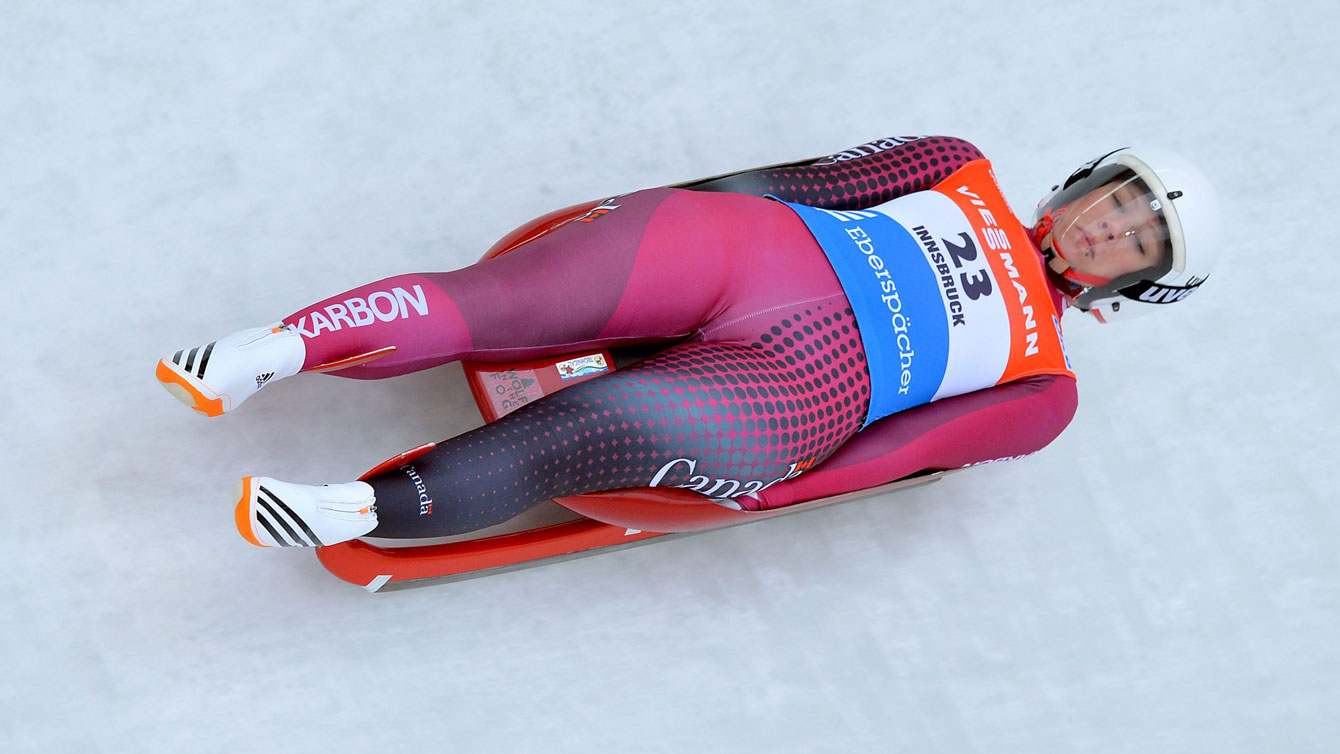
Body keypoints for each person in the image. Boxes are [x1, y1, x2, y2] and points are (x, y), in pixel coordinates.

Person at [155, 136, 1218, 549]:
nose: (1110, 222)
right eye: (1118, 197)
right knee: (507, 299)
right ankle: (270, 350)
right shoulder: (955, 161)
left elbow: (892, 456)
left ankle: (350, 510)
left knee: (588, 430)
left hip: (796, 387)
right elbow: (796, 184)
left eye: (1136, 235)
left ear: (1135, 279)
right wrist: (644, 214)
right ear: (1086, 180)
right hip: (754, 251)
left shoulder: (1046, 390)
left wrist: (769, 492)